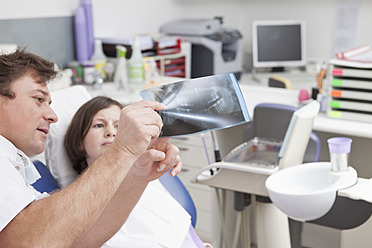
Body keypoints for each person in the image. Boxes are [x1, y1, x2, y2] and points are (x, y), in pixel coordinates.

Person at [0, 48, 182, 247]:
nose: (53, 116)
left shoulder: (15, 171)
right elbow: (27, 242)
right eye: (38, 99)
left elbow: (76, 239)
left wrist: (138, 175)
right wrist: (121, 150)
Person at [64, 96, 213, 248]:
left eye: (118, 126)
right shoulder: (78, 199)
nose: (110, 132)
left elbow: (182, 229)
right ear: (79, 142)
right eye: (98, 125)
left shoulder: (144, 173)